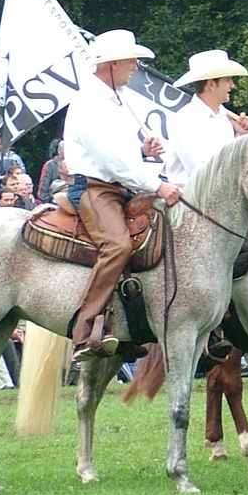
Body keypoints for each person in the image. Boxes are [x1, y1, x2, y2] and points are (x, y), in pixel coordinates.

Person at [61, 29, 183, 362]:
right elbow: (111, 162)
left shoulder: (114, 98)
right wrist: (157, 185)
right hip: (93, 188)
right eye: (130, 60)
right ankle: (84, 331)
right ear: (112, 64)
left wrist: (142, 150)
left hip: (118, 187)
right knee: (118, 245)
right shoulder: (90, 101)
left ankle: (126, 325)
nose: (135, 67)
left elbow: (122, 154)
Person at [163, 49, 248, 187]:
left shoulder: (224, 119)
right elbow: (203, 171)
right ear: (211, 84)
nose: (232, 85)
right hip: (189, 202)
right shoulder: (185, 120)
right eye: (228, 80)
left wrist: (245, 137)